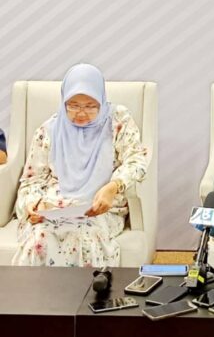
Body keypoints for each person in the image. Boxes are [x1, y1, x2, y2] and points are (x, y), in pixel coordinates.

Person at [12, 63, 148, 267]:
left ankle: (86, 289)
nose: (81, 113)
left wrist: (113, 187)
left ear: (101, 100)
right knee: (39, 239)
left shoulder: (117, 121)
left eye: (90, 106)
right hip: (55, 207)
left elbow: (137, 159)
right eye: (73, 105)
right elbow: (32, 180)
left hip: (99, 208)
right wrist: (31, 205)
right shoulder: (49, 130)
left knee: (83, 237)